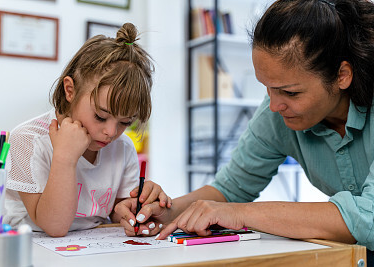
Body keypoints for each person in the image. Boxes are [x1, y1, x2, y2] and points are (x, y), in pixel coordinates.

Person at [115, 0, 374, 257]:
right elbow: (230, 189)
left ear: (342, 75)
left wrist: (240, 213)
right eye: (267, 88)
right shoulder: (277, 112)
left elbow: (368, 217)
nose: (273, 106)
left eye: (290, 92)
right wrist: (166, 211)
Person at [3, 23, 171, 237]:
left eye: (125, 122)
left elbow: (118, 211)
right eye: (100, 116)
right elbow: (54, 227)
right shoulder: (28, 139)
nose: (111, 131)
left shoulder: (122, 147)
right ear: (70, 90)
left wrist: (139, 213)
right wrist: (65, 158)